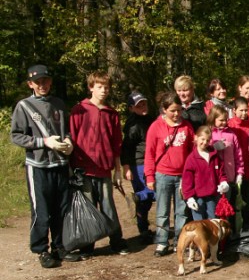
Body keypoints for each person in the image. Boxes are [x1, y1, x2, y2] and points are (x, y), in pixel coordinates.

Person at [11, 64, 79, 267]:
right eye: (38, 82)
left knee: (62, 208)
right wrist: (43, 142)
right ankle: (41, 249)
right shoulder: (23, 106)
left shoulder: (58, 103)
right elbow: (16, 136)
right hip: (38, 166)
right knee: (41, 210)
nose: (42, 85)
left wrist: (68, 143)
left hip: (59, 164)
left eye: (45, 81)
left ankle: (60, 246)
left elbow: (66, 129)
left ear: (50, 82)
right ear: (30, 84)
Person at [70, 71, 129, 257]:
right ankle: (87, 246)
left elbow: (116, 144)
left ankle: (117, 241)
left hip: (104, 168)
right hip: (84, 168)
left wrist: (117, 170)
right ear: (91, 88)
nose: (103, 91)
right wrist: (72, 169)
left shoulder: (112, 113)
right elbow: (71, 138)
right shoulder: (79, 109)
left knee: (108, 206)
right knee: (87, 207)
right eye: (99, 87)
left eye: (106, 87)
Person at [144, 92, 195, 257]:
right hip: (163, 175)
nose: (176, 114)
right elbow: (149, 153)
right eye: (172, 110)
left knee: (181, 211)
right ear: (164, 109)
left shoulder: (186, 126)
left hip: (182, 176)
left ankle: (179, 241)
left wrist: (191, 173)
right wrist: (150, 176)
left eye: (179, 110)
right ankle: (161, 241)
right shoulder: (156, 127)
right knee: (162, 210)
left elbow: (192, 151)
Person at [120, 91, 155, 244]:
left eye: (144, 103)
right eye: (138, 105)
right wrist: (126, 167)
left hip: (152, 162)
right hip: (138, 164)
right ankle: (143, 230)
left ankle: (144, 225)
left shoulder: (150, 120)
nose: (142, 107)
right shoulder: (132, 125)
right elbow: (126, 148)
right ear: (131, 108)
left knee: (151, 195)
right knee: (146, 195)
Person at [207, 105, 244, 231]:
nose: (224, 122)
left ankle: (225, 235)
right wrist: (213, 147)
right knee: (213, 209)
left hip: (229, 177)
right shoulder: (209, 134)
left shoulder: (231, 135)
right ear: (213, 119)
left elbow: (238, 155)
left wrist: (239, 173)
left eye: (225, 120)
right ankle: (214, 233)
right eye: (221, 120)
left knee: (226, 207)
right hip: (213, 179)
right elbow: (203, 153)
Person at [182, 126, 229, 221]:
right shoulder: (191, 159)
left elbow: (221, 172)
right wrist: (189, 197)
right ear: (196, 138)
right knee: (199, 223)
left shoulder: (214, 155)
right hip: (197, 197)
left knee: (212, 221)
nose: (204, 142)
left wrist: (224, 182)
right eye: (202, 139)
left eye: (207, 140)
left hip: (212, 195)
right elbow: (187, 181)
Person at [228, 97, 249, 230]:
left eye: (247, 110)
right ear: (234, 110)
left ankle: (246, 225)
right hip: (233, 168)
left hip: (248, 168)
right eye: (241, 110)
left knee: (247, 199)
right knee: (234, 199)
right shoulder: (230, 125)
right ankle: (233, 226)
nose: (245, 113)